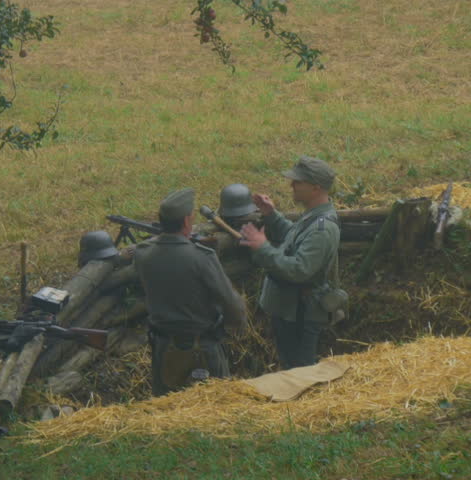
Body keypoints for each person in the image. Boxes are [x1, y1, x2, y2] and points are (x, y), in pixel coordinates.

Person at [134, 188, 248, 396]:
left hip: (163, 347)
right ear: (187, 221)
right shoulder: (202, 257)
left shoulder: (143, 254)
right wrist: (238, 324)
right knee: (214, 405)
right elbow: (232, 305)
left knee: (166, 405)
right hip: (201, 348)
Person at [240, 156, 340, 369]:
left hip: (301, 315)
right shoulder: (314, 218)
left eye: (298, 181)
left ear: (316, 187)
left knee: (300, 372)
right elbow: (294, 238)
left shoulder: (323, 228)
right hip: (291, 311)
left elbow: (299, 269)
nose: (291, 185)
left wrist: (263, 247)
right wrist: (271, 215)